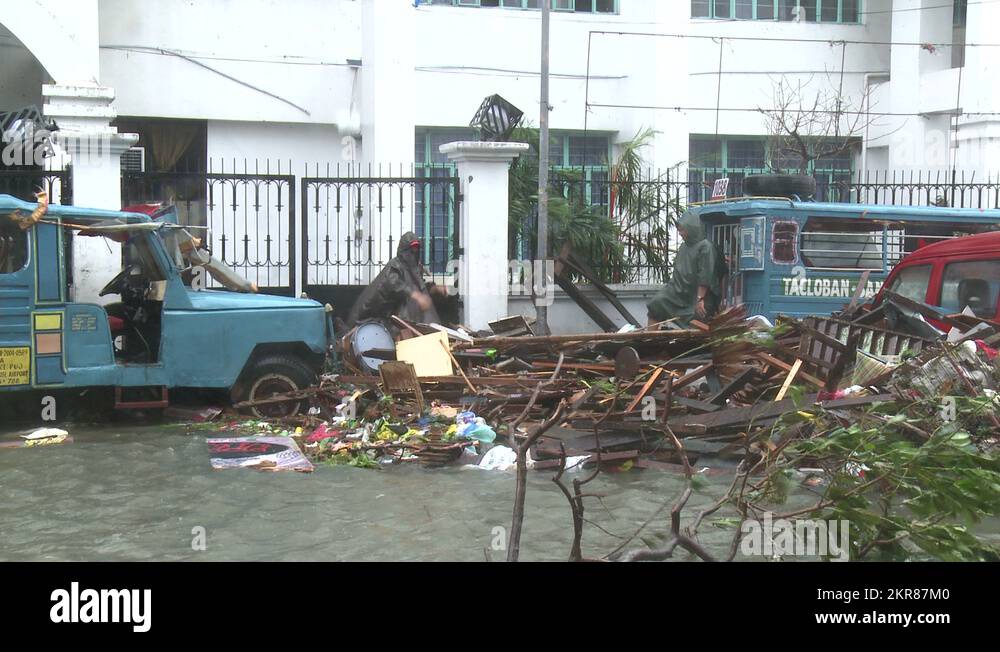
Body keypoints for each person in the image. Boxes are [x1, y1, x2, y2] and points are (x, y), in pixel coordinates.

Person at [346, 232, 444, 329]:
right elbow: (394, 283)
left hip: (391, 314)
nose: (414, 251)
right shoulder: (396, 265)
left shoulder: (413, 267)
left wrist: (433, 288)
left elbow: (416, 286)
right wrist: (415, 295)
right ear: (405, 249)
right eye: (411, 249)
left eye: (416, 248)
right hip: (375, 313)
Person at [646, 210, 725, 327]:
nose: (680, 233)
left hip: (697, 296)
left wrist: (700, 299)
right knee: (656, 304)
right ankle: (649, 340)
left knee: (698, 316)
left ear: (691, 228)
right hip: (677, 293)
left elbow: (705, 275)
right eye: (679, 230)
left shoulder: (706, 247)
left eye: (682, 230)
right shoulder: (683, 246)